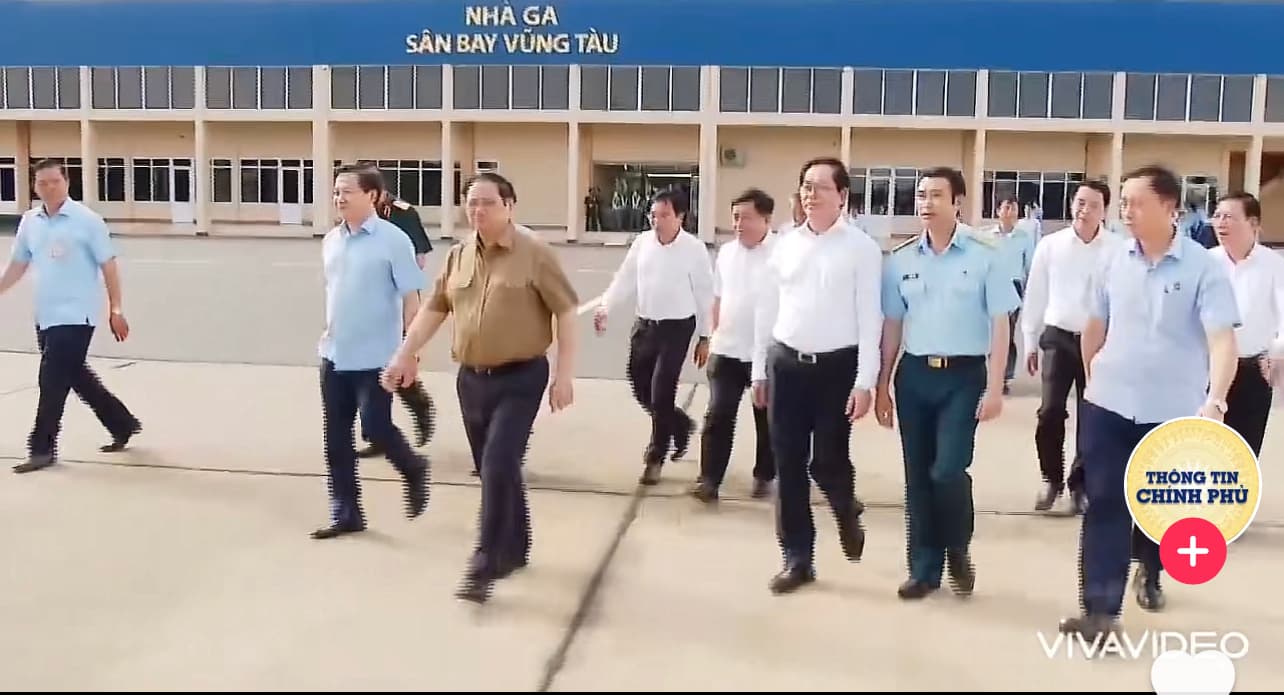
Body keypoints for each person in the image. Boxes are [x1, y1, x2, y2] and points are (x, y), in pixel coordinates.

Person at [1058, 165, 1240, 640]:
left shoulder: (1203, 268)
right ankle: (1100, 611)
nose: (1126, 211)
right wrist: (1094, 376)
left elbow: (1222, 340)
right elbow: (1094, 325)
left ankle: (1151, 571)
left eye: (1136, 203)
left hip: (1171, 411)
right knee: (1105, 503)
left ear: (1169, 207)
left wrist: (1215, 401)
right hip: (1109, 405)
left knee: (1158, 509)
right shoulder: (1112, 261)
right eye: (1123, 203)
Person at [382, 172, 579, 604]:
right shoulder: (459, 255)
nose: (478, 211)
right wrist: (404, 354)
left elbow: (566, 311)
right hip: (472, 379)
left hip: (521, 377)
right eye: (471, 203)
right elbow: (435, 309)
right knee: (498, 469)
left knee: (497, 463)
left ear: (509, 206)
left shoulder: (535, 253)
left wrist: (564, 375)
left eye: (488, 203)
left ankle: (484, 561)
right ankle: (516, 547)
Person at [876, 166, 1019, 600]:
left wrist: (995, 386)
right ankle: (923, 569)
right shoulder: (901, 259)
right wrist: (882, 384)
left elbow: (1001, 323)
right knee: (917, 476)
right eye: (921, 195)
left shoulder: (986, 253)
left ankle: (957, 546)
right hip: (915, 376)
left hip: (963, 376)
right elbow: (892, 325)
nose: (927, 203)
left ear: (957, 202)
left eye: (937, 195)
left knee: (948, 470)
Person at [752, 157, 883, 595]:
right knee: (788, 464)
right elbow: (766, 309)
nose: (811, 194)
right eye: (806, 186)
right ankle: (797, 558)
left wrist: (865, 382)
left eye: (821, 187)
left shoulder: (861, 249)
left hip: (836, 370)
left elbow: (870, 319)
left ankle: (845, 508)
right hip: (786, 365)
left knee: (827, 461)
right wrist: (758, 370)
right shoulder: (784, 245)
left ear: (842, 196)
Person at [0, 159, 142, 473]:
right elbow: (18, 265)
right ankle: (122, 424)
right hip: (46, 315)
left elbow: (108, 265)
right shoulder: (30, 222)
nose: (49, 187)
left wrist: (116, 309)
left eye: (55, 181)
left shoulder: (87, 220)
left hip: (78, 315)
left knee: (51, 380)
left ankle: (42, 449)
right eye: (42, 183)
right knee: (76, 375)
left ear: (67, 182)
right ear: (35, 186)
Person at [312, 164, 428, 540]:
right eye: (336, 192)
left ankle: (413, 468)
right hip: (335, 354)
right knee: (336, 440)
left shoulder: (394, 240)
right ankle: (347, 514)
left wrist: (410, 353)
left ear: (372, 196)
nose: (339, 198)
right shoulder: (331, 240)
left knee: (376, 427)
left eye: (347, 191)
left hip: (378, 357)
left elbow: (412, 301)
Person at [595, 188, 714, 486]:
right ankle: (680, 424)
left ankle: (655, 456)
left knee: (662, 392)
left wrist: (705, 336)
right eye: (653, 214)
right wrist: (606, 306)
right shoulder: (642, 243)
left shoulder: (694, 249)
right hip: (645, 325)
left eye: (664, 215)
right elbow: (624, 279)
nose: (656, 220)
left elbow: (704, 294)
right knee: (640, 387)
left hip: (677, 328)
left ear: (680, 217)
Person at [1021, 180, 1124, 515]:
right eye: (1080, 203)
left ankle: (1080, 485)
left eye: (1093, 205)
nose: (1085, 210)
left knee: (1091, 416)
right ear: (1071, 205)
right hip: (1058, 336)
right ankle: (1050, 478)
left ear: (1104, 210)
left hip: (1100, 341)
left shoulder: (1118, 250)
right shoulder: (1051, 246)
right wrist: (1030, 340)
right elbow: (1035, 294)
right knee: (1050, 411)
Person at [691, 188, 778, 503]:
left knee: (767, 421)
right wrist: (710, 336)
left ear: (766, 219)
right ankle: (709, 480)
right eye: (736, 217)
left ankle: (765, 475)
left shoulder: (783, 254)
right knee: (718, 414)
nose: (739, 224)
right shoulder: (727, 253)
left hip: (767, 353)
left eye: (747, 218)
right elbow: (717, 298)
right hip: (727, 350)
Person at [353, 167, 435, 456]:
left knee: (394, 364)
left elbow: (419, 260)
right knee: (364, 369)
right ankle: (376, 433)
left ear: (377, 191)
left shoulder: (403, 213)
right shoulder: (356, 215)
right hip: (363, 302)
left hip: (397, 298)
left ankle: (420, 405)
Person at [1208, 192, 1282, 458]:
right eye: (1217, 216)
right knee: (1205, 447)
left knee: (1244, 450)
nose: (1220, 222)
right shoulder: (1207, 262)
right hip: (1208, 369)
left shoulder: (1274, 265)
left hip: (1252, 369)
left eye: (1229, 216)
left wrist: (1276, 352)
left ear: (1253, 223)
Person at [977, 195, 1036, 394]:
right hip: (990, 286)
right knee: (989, 333)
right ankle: (989, 374)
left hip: (1013, 287)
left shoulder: (1024, 238)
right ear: (998, 211)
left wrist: (1028, 293)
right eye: (1007, 208)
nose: (1010, 212)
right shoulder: (986, 236)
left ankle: (1004, 376)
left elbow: (1030, 266)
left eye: (1014, 208)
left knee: (1006, 332)